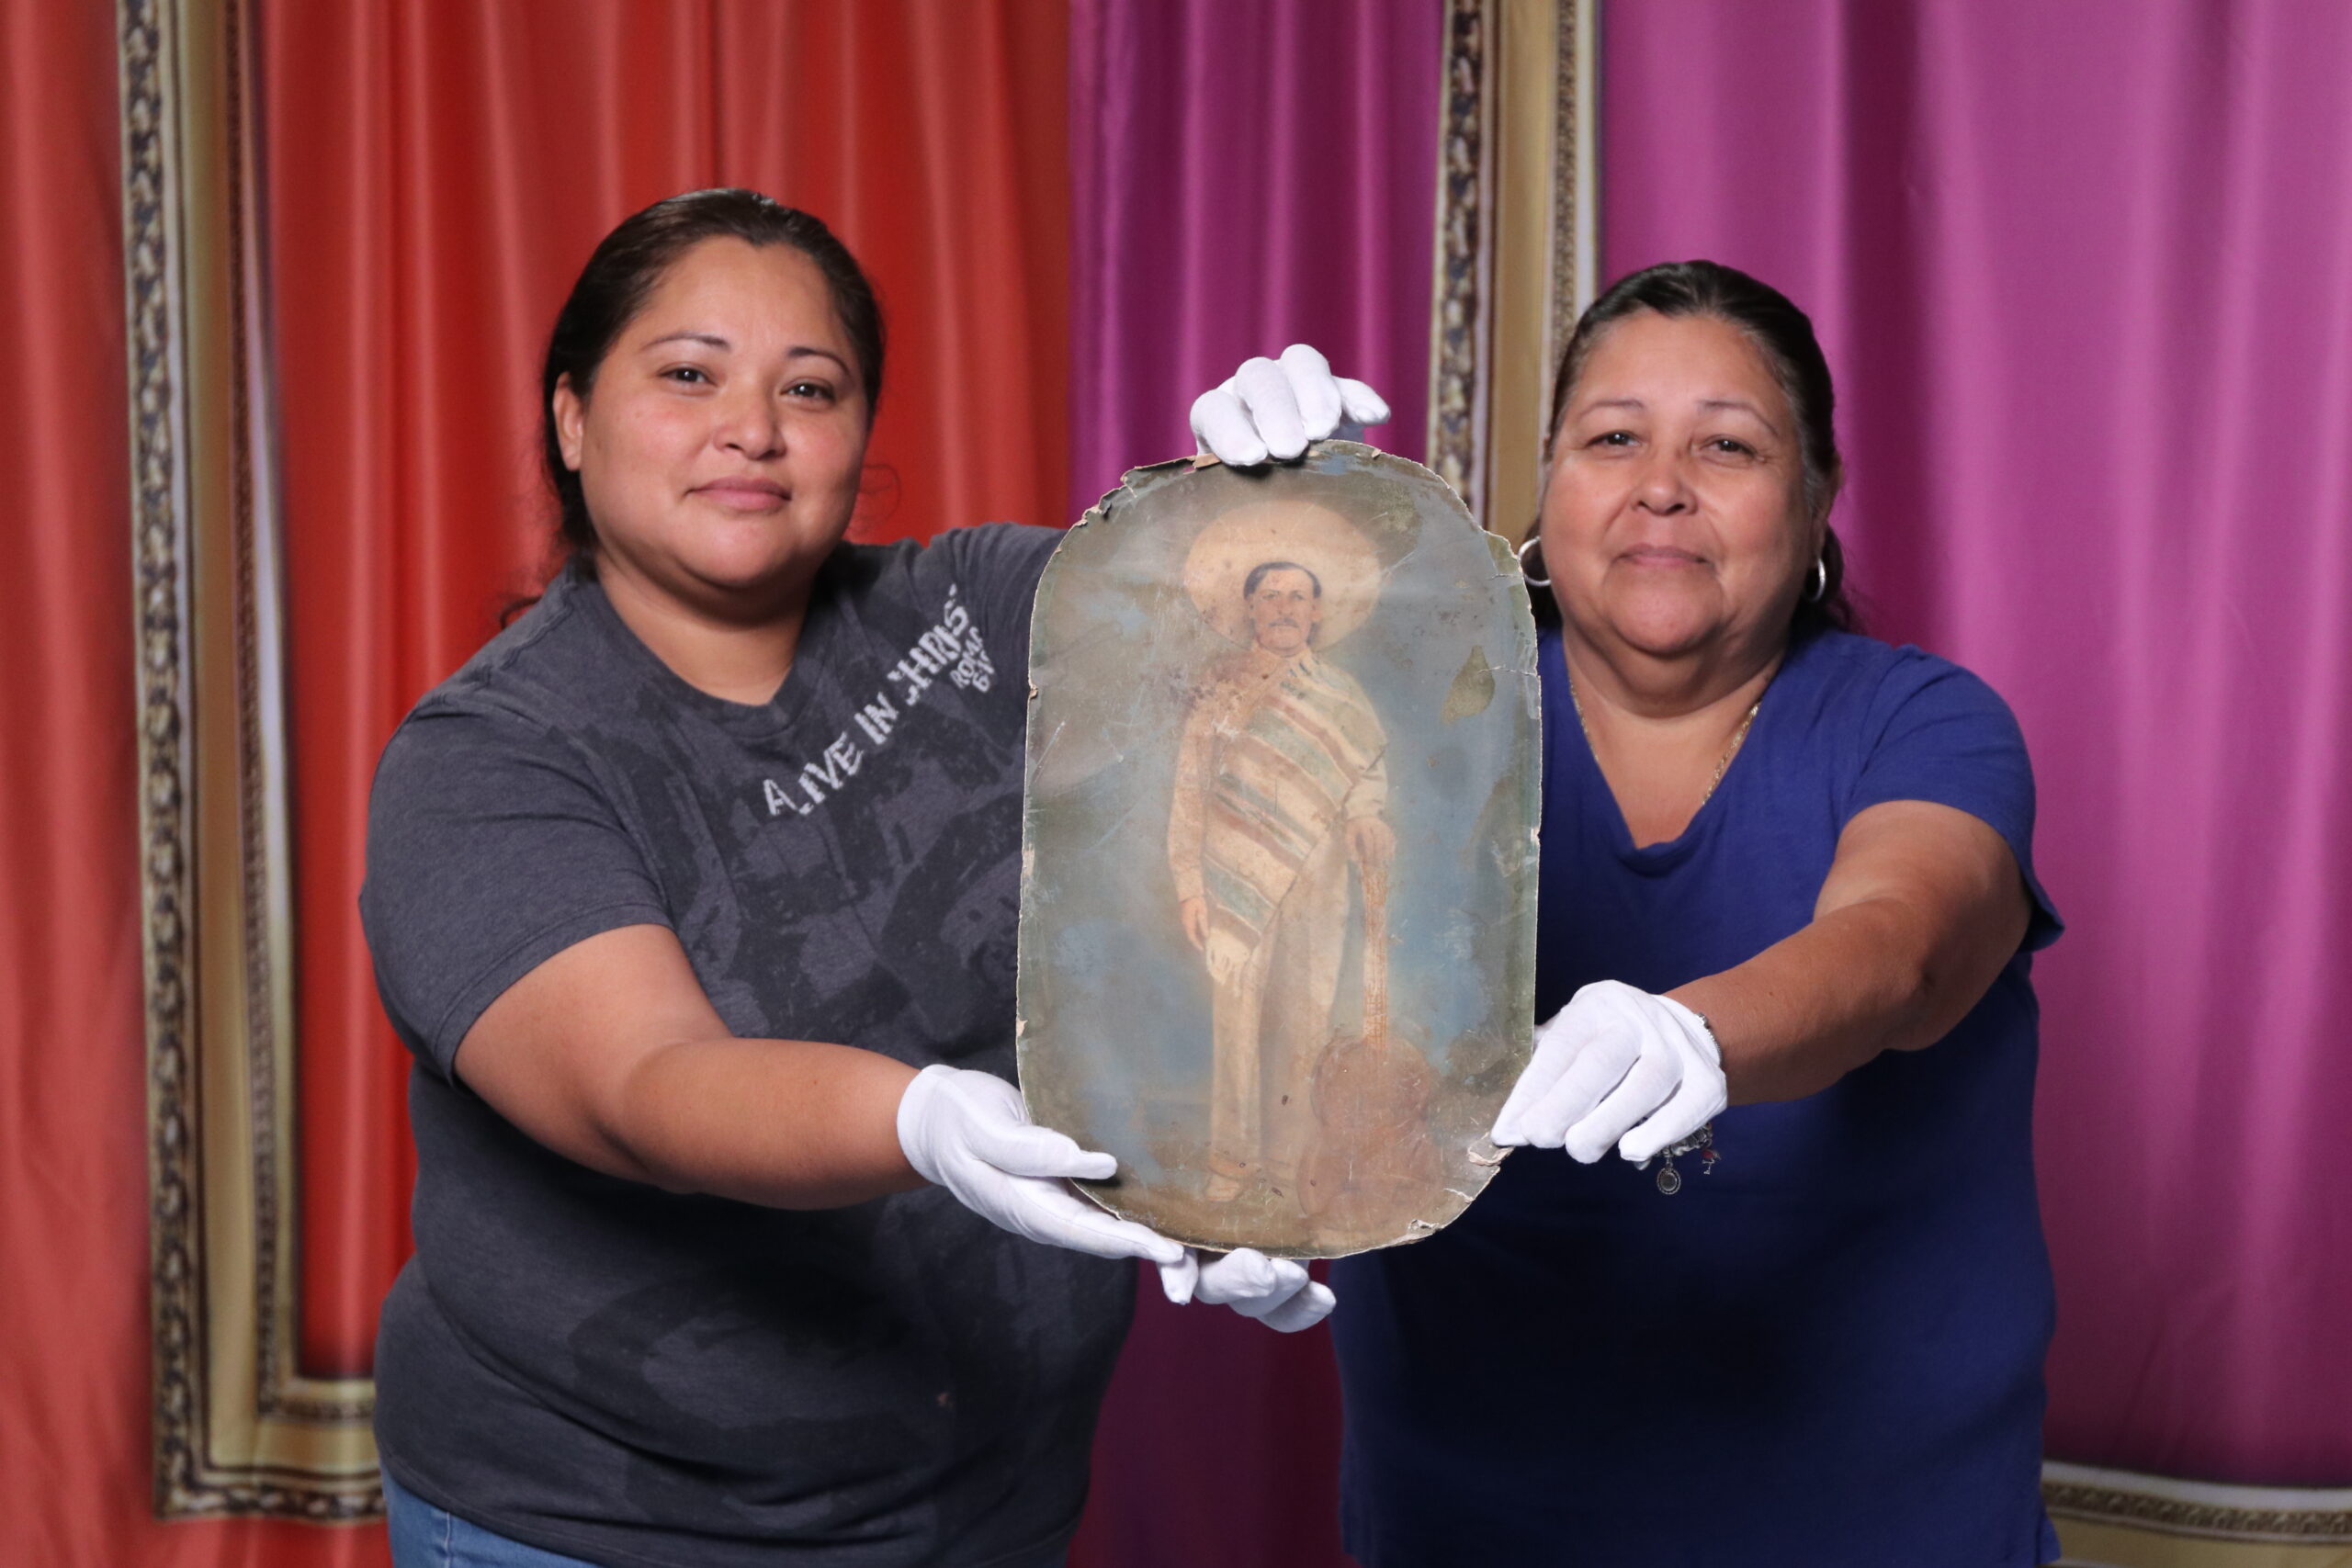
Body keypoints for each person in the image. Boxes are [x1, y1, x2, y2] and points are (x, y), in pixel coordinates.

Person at [358, 188, 1385, 1568]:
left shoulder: (971, 605)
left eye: (811, 386)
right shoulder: (488, 759)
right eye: (687, 373)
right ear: (570, 419)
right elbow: (644, 1083)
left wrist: (1270, 490)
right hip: (609, 1526)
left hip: (987, 1502)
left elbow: (1236, 633)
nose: (753, 427)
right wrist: (926, 1121)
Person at [1214, 263, 2062, 1565]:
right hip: (1470, 1517)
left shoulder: (1923, 720)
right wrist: (1250, 527)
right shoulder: (1403, 717)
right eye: (1613, 438)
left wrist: (1696, 1036)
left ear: (1818, 500)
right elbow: (1199, 890)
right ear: (1546, 491)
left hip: (1883, 1522)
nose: (1662, 483)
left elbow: (1908, 942)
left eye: (1728, 444)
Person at [1168, 552, 1395, 1204]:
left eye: (1298, 596)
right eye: (1271, 595)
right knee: (1236, 1022)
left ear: (1318, 611)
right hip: (1232, 874)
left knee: (1307, 1018)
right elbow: (1188, 789)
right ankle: (1232, 1166)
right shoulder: (1219, 688)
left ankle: (1291, 1165)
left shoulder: (1342, 696)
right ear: (1251, 608)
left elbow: (1366, 777)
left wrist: (1366, 819)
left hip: (1317, 877)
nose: (1285, 607)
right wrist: (1189, 882)